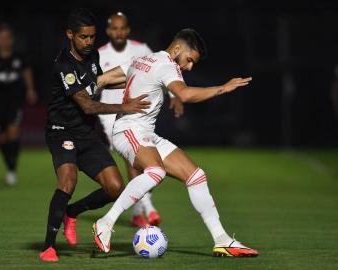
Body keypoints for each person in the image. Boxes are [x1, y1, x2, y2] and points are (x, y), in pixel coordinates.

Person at [92, 28, 259, 257]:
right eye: (190, 60)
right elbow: (186, 95)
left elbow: (104, 79)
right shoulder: (167, 64)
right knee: (155, 172)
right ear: (178, 48)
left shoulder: (142, 59)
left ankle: (222, 239)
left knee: (195, 175)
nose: (189, 67)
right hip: (129, 130)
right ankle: (106, 223)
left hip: (144, 133)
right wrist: (223, 88)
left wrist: (82, 92)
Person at [39, 8, 151, 262]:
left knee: (115, 188)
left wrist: (143, 81)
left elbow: (97, 82)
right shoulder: (63, 65)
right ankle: (48, 246)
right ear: (70, 35)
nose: (89, 42)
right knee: (67, 182)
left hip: (86, 134)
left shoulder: (93, 55)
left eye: (92, 37)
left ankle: (71, 212)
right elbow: (88, 105)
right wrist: (126, 106)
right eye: (83, 37)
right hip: (61, 131)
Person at [98, 12, 184, 227]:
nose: (118, 32)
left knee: (146, 167)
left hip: (141, 113)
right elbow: (97, 82)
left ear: (128, 30)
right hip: (111, 117)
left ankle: (139, 209)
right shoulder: (99, 54)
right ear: (108, 31)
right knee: (134, 161)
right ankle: (147, 208)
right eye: (114, 28)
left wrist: (174, 96)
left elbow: (162, 68)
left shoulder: (141, 49)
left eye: (122, 28)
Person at [0, 24, 37, 186]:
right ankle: (9, 166)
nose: (4, 41)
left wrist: (30, 90)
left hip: (15, 100)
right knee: (2, 138)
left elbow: (27, 72)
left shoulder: (19, 57)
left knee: (13, 133)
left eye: (6, 37)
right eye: (1, 38)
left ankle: (12, 169)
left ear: (11, 40)